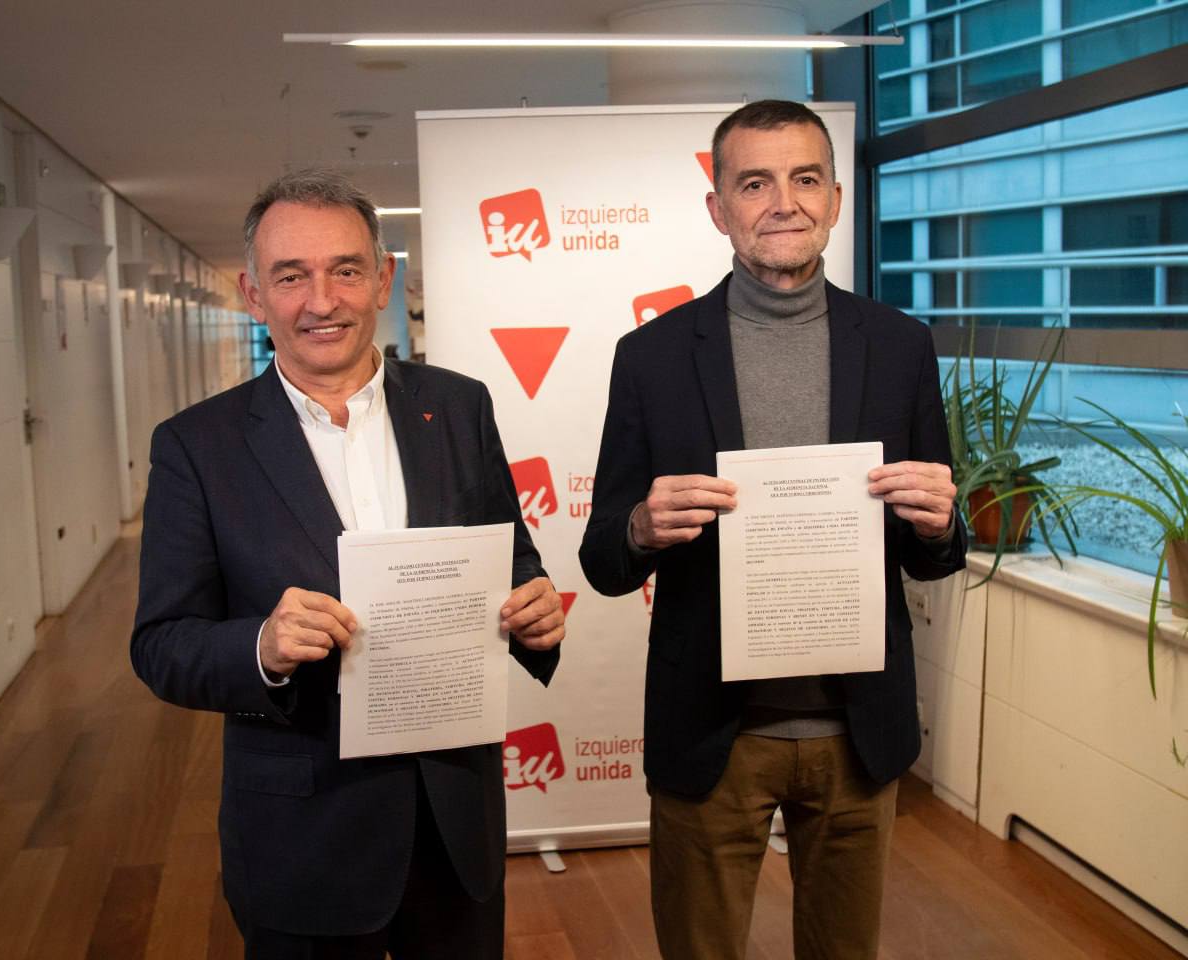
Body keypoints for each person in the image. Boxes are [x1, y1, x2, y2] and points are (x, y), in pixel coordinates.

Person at [131, 168, 565, 960]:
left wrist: (535, 615)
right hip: (303, 836)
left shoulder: (457, 407)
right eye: (290, 276)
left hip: (454, 822)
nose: (321, 300)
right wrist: (260, 645)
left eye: (345, 270)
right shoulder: (198, 446)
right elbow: (161, 644)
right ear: (253, 295)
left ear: (382, 280)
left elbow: (515, 562)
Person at [579, 100, 966, 960]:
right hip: (713, 734)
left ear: (834, 198)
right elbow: (602, 558)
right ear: (719, 208)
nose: (781, 202)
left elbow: (936, 550)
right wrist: (642, 525)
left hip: (858, 733)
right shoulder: (651, 356)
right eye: (754, 182)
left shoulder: (902, 346)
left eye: (804, 179)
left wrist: (940, 523)